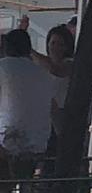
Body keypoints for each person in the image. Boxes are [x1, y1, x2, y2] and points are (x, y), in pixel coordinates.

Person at [0, 28, 58, 168]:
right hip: (39, 142)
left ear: (6, 47)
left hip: (6, 141)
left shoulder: (3, 67)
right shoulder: (43, 73)